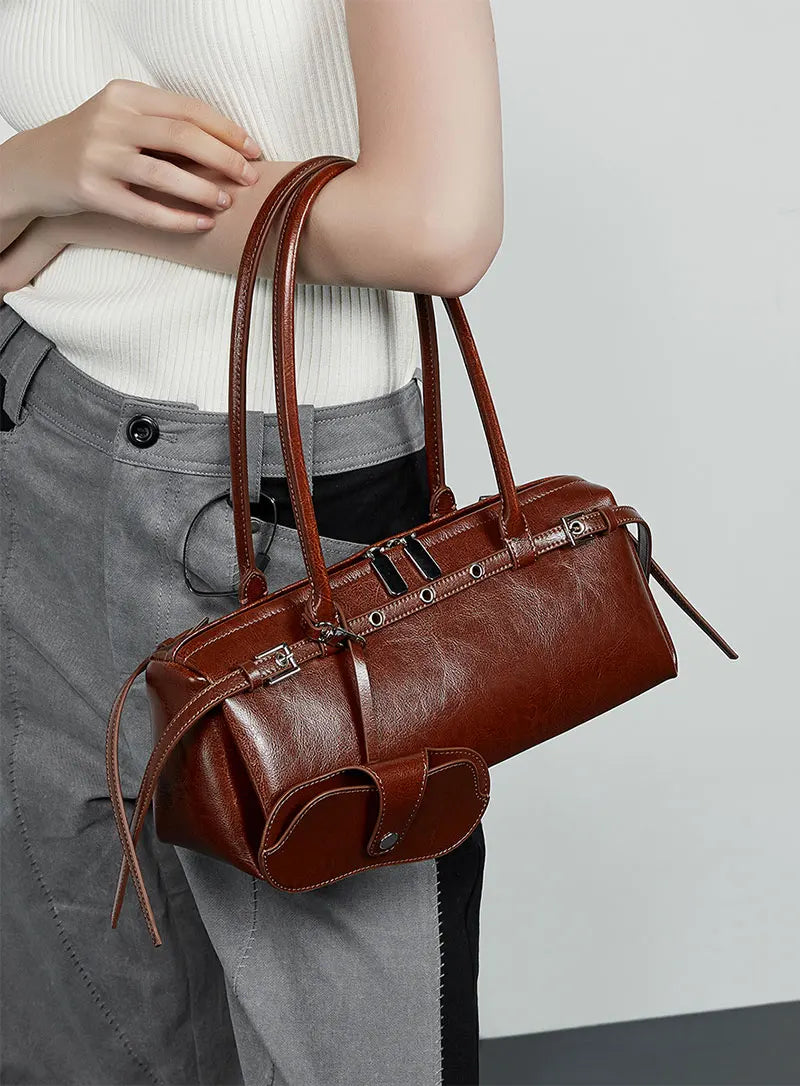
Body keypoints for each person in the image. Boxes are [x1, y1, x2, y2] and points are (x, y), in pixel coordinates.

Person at [0, 2, 503, 1083]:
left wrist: (85, 208)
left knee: (357, 1052)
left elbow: (437, 223)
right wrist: (28, 175)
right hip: (31, 440)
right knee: (76, 1028)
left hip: (295, 508)